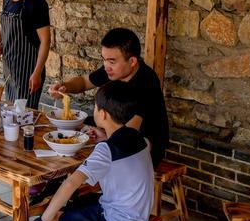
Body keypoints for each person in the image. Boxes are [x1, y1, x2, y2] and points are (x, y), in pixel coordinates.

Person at [32, 81, 154, 221]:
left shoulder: (106, 150)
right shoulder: (141, 138)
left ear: (103, 114)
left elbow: (72, 182)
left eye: (96, 108)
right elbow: (123, 157)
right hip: (137, 212)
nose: (94, 111)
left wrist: (49, 217)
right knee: (70, 204)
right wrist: (106, 137)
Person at [48, 28, 168, 168]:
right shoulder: (114, 70)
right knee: (67, 133)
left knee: (82, 154)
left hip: (143, 146)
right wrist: (65, 87)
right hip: (114, 133)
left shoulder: (146, 82)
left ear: (133, 61)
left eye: (111, 61)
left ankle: (79, 183)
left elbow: (130, 134)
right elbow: (84, 82)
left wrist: (105, 138)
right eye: (104, 60)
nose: (106, 66)